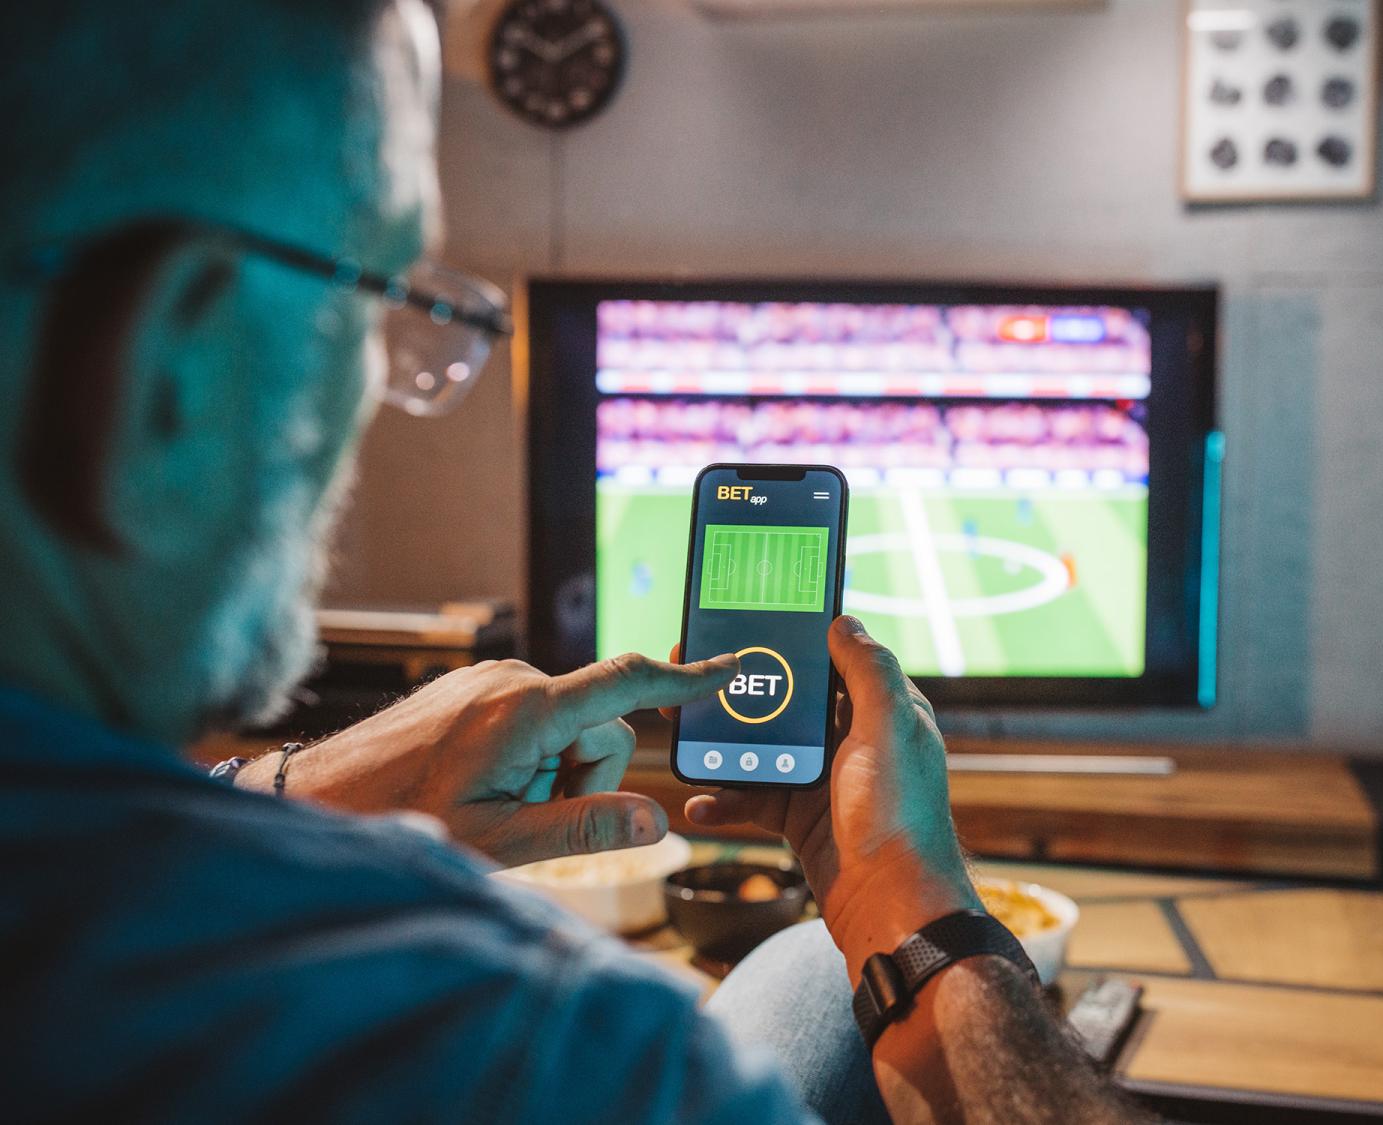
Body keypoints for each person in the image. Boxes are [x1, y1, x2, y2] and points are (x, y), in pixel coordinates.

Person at [0, 1, 1150, 1121]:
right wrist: (914, 906)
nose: (383, 392)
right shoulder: (545, 1050)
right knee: (820, 962)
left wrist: (288, 797)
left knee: (802, 975)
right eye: (368, 301)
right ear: (173, 373)